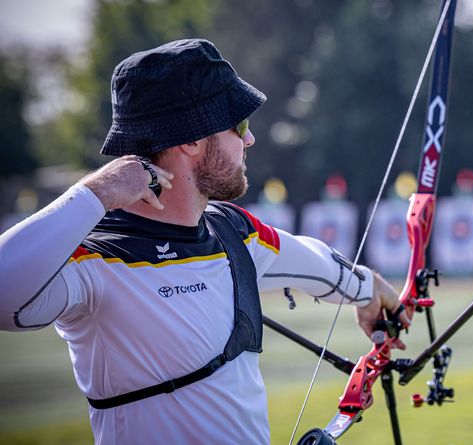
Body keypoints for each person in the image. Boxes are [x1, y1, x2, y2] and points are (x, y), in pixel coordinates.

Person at [0, 38, 409, 445]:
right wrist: (95, 194)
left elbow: (315, 262)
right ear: (190, 140)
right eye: (240, 126)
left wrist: (371, 291)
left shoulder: (234, 233)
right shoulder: (95, 259)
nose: (249, 140)